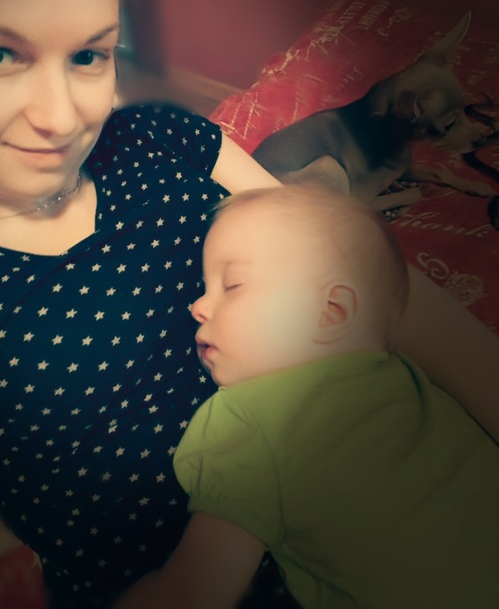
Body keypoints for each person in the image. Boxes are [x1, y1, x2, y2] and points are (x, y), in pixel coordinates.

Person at [0, 0, 498, 607]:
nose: (62, 116)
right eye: (0, 54)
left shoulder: (160, 139)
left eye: (89, 55)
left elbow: (345, 260)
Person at [114, 184, 499, 609]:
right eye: (206, 287)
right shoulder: (405, 376)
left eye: (233, 285)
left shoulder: (245, 417)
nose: (198, 307)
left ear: (332, 312)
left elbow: (195, 591)